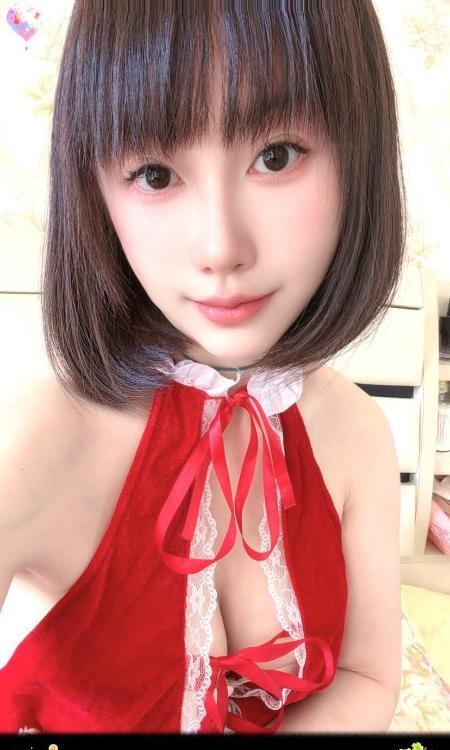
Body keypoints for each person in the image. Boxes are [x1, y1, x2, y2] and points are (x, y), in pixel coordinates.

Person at [0, 0, 405, 735]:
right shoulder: (37, 439)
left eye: (277, 155)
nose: (220, 247)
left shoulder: (354, 432)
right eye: (155, 173)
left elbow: (368, 677)